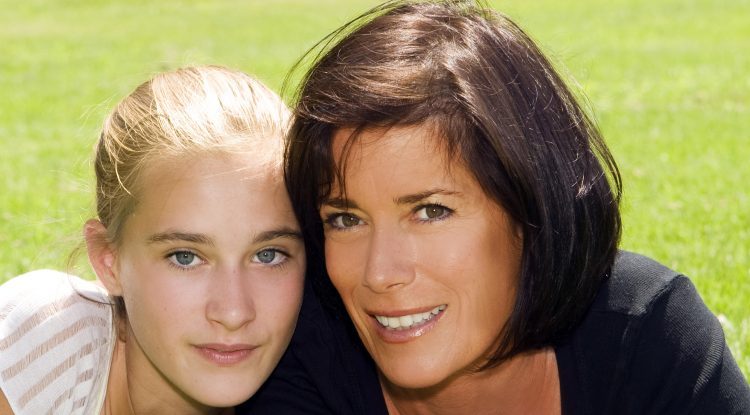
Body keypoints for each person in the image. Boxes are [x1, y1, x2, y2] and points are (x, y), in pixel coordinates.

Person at [242, 1, 750, 414]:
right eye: (346, 219)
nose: (380, 273)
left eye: (431, 211)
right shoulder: (303, 358)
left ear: (531, 214)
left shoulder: (646, 337)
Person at [0, 65, 306, 414]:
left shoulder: (324, 382)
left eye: (268, 255)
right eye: (185, 257)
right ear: (108, 259)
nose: (233, 312)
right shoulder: (51, 344)